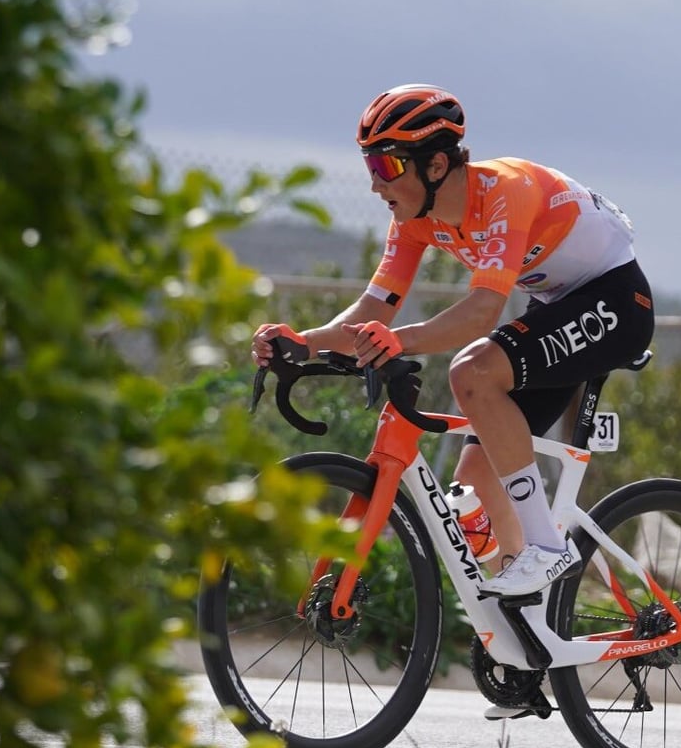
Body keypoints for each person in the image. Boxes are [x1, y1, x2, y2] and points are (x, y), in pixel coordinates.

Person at [251, 84, 654, 597]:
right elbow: (373, 311)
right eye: (370, 166)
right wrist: (303, 343)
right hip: (555, 305)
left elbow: (481, 313)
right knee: (478, 479)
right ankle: (526, 619)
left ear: (437, 165)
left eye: (386, 167)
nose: (375, 184)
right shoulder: (414, 221)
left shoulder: (505, 191)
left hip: (616, 301)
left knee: (474, 371)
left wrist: (397, 342)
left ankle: (547, 547)